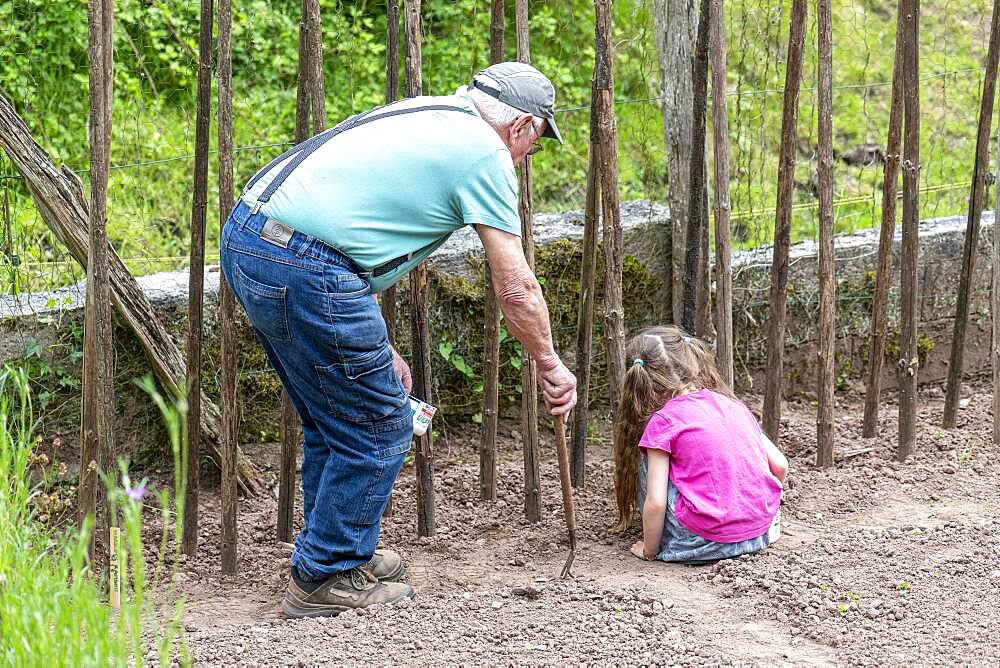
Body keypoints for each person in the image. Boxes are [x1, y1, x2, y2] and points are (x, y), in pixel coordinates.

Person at [218, 62, 577, 618]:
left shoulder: (437, 114)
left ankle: (332, 556)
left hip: (252, 239)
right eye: (537, 142)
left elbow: (353, 218)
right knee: (380, 423)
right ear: (524, 126)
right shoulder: (485, 153)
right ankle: (326, 575)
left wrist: (371, 343)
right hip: (306, 265)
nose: (530, 156)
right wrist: (550, 364)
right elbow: (517, 287)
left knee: (334, 419)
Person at [612, 326, 787, 564]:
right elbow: (780, 465)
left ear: (643, 381)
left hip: (701, 544)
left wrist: (649, 551)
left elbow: (656, 502)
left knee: (651, 453)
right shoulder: (732, 405)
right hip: (762, 534)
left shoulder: (663, 422)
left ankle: (661, 539)